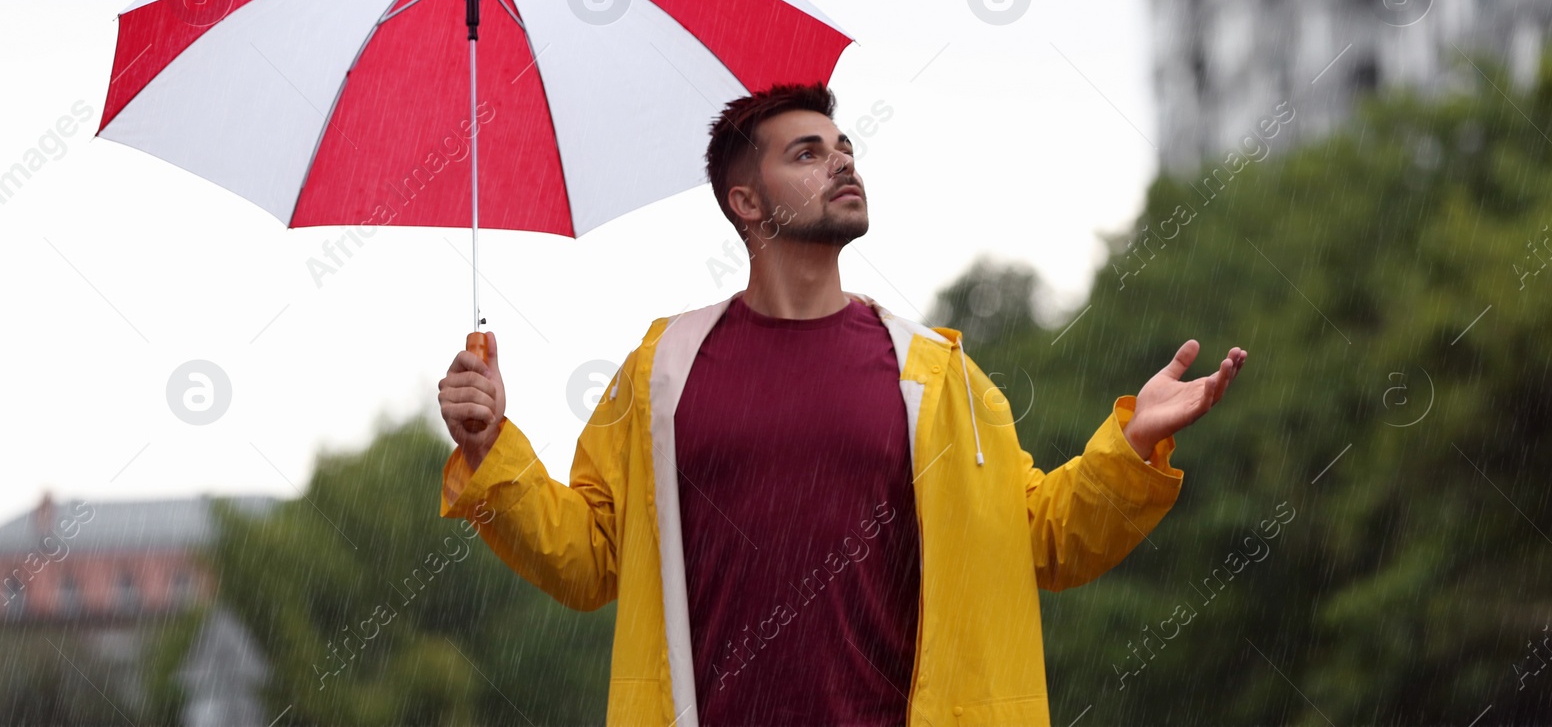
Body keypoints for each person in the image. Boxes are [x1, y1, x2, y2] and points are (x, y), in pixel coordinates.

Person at [437, 81, 1244, 727]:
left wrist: (1129, 446)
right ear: (746, 202)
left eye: (845, 148)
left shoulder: (932, 373)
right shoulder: (663, 370)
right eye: (808, 153)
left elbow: (1038, 538)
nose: (843, 164)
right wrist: (488, 447)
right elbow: (587, 558)